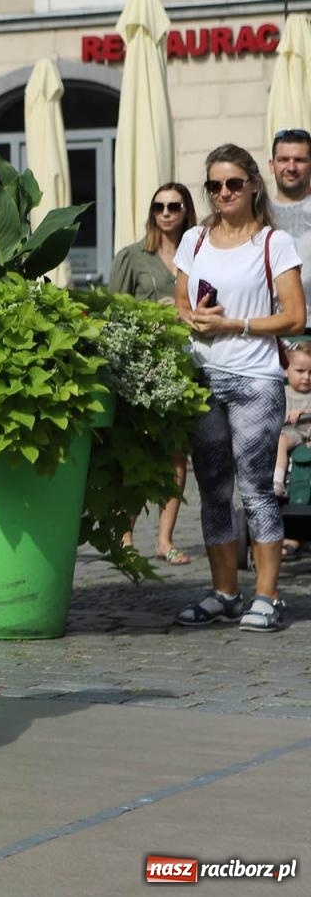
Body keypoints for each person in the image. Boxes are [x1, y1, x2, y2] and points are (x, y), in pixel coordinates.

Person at [174, 143, 306, 632]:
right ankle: (224, 592)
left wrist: (235, 325)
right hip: (203, 378)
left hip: (254, 380)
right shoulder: (195, 239)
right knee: (212, 490)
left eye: (232, 183)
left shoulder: (274, 243)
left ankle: (267, 596)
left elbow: (295, 315)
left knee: (255, 489)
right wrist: (194, 317)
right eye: (213, 185)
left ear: (253, 183)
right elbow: (179, 306)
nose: (223, 192)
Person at [109, 181, 198, 565]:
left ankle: (164, 538)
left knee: (177, 454)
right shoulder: (132, 256)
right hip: (142, 367)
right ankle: (126, 536)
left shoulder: (200, 255)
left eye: (174, 206)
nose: (166, 213)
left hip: (186, 364)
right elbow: (114, 310)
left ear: (185, 211)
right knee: (138, 450)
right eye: (159, 206)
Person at [265, 127, 311, 330]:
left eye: (300, 160)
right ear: (271, 165)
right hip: (268, 333)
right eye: (283, 159)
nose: (291, 167)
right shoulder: (256, 215)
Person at [275, 346, 311, 549]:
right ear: (286, 371)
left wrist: (305, 410)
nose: (306, 377)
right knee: (280, 440)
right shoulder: (283, 393)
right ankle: (278, 481)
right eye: (300, 371)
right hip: (291, 435)